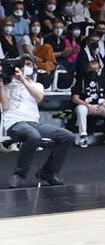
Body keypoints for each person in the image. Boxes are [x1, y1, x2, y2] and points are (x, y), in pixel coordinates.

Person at [1, 59, 75, 188]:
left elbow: (39, 98)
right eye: (25, 65)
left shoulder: (37, 85)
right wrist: (1, 86)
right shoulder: (6, 84)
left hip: (34, 122)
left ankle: (48, 172)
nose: (27, 67)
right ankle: (19, 174)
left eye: (29, 65)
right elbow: (5, 106)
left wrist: (23, 80)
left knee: (68, 136)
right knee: (33, 136)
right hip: (14, 122)